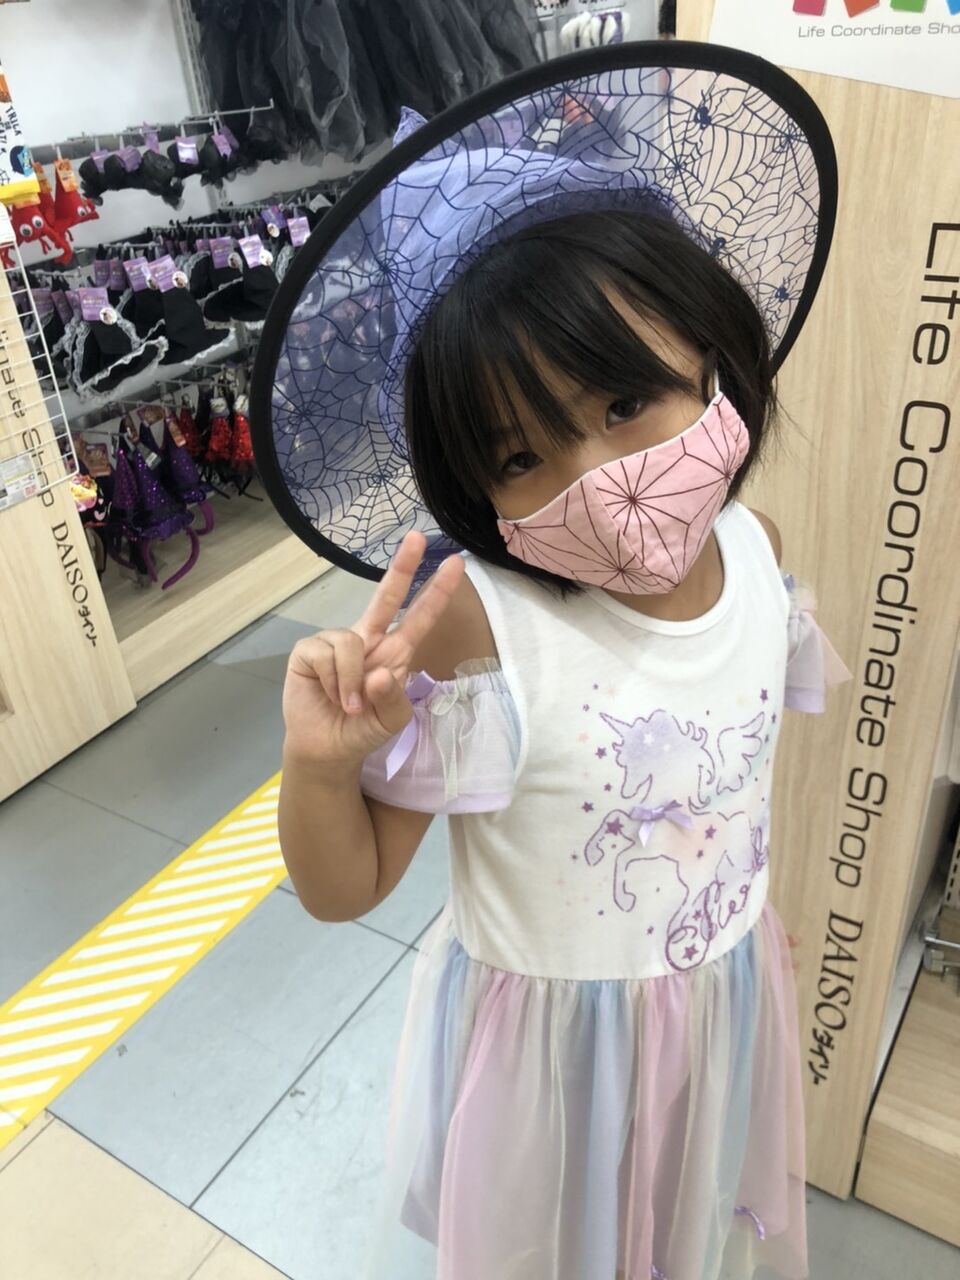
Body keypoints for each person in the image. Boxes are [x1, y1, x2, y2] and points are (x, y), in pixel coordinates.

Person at [259, 43, 849, 1280]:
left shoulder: (759, 553)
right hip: (548, 1071)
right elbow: (346, 884)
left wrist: (746, 914)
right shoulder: (481, 626)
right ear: (473, 488)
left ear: (713, 356)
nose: (599, 479)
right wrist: (320, 766)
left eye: (626, 404)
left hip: (716, 1004)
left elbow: (737, 770)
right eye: (522, 457)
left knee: (688, 1232)